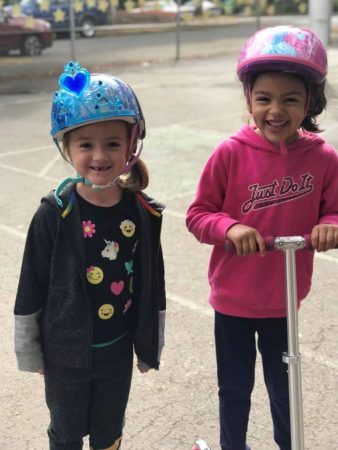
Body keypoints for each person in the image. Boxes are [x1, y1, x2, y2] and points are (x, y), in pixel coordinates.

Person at [186, 26, 338, 450]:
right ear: (249, 100)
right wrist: (229, 227)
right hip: (234, 299)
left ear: (309, 101)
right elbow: (198, 215)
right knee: (234, 388)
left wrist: (330, 223)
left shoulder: (323, 158)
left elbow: (335, 207)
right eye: (264, 98)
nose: (276, 110)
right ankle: (232, 446)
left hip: (284, 298)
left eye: (290, 98)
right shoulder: (230, 153)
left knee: (285, 388)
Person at [14, 60, 166, 450]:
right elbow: (31, 281)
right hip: (65, 354)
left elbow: (152, 282)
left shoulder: (141, 211)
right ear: (67, 147)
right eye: (86, 144)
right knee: (66, 433)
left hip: (117, 348)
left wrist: (150, 344)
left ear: (131, 145)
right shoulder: (55, 211)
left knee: (109, 431)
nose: (99, 155)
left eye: (112, 143)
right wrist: (30, 349)